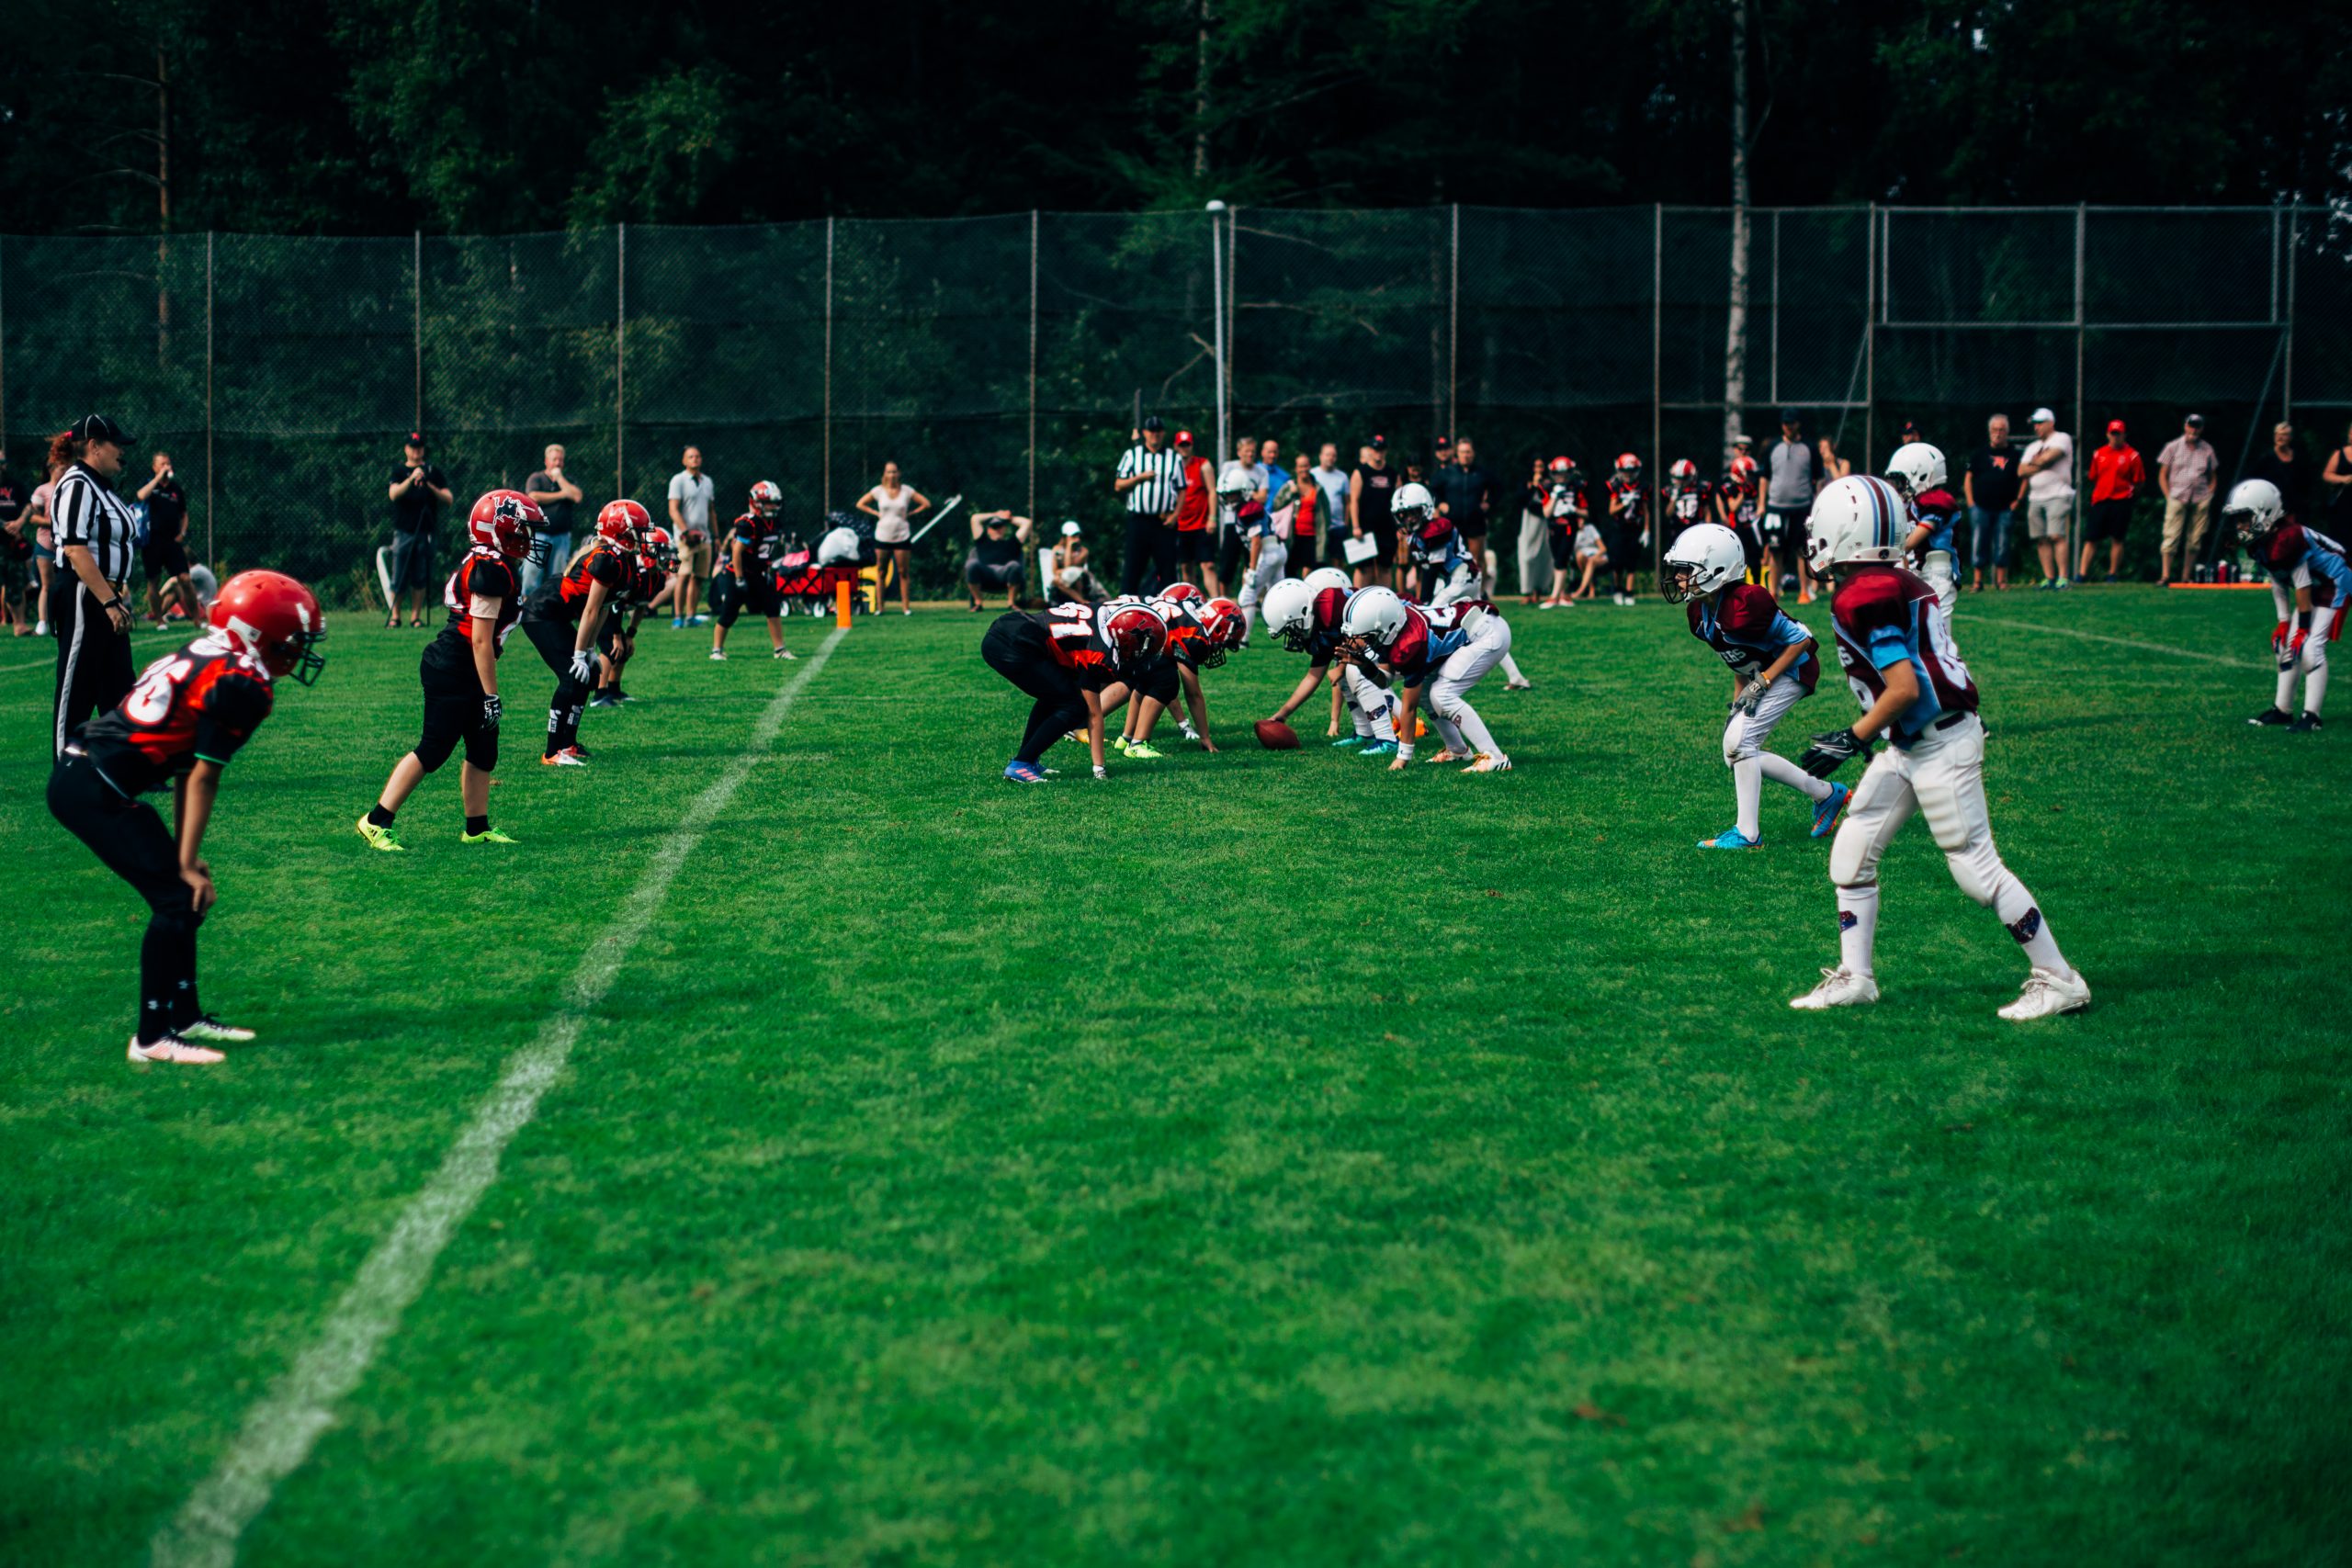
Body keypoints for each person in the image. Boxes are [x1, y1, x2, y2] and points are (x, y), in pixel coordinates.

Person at [1786, 475, 2090, 1021]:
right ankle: (1856, 978)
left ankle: (2059, 978)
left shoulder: (1867, 592)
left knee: (1976, 868)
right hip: (1911, 742)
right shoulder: (1888, 578)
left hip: (1937, 740)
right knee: (1851, 855)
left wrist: (1850, 738)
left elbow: (1902, 688)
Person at [51, 569, 325, 1063]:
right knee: (176, 898)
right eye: (294, 639)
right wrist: (184, 862)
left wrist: (187, 856)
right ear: (258, 636)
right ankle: (153, 1037)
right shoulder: (243, 683)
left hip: (91, 778)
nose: (299, 650)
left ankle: (185, 1014)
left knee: (187, 891)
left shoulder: (208, 656)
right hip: (92, 786)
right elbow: (203, 777)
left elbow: (183, 769)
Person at [355, 491, 544, 852]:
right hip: (455, 666)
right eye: (522, 530)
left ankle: (477, 828)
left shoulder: (494, 562)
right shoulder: (490, 569)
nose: (527, 538)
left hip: (464, 665)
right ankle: (376, 820)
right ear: (497, 531)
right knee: (434, 748)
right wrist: (491, 695)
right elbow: (480, 641)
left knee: (483, 749)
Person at [1661, 522, 1846, 850]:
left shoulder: (1746, 603)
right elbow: (1738, 659)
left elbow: (1802, 640)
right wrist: (1737, 703)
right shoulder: (1699, 613)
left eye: (1686, 570)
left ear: (1716, 569)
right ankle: (1827, 795)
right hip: (1764, 673)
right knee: (1735, 752)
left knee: (1740, 743)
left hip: (1794, 671)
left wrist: (1763, 682)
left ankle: (1748, 834)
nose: (1678, 579)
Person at [981, 598, 1166, 783]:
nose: (1145, 652)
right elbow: (1094, 714)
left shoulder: (1101, 615)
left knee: (1054, 698)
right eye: (1145, 645)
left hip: (1013, 628)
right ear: (1127, 635)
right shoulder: (1099, 652)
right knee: (1074, 706)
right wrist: (1099, 769)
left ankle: (1027, 759)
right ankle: (1021, 764)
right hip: (1015, 643)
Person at [521, 499, 644, 766]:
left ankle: (569, 743)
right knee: (570, 676)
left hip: (558, 616)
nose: (640, 537)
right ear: (619, 531)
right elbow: (589, 610)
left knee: (592, 674)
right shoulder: (606, 559)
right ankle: (552, 752)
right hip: (541, 614)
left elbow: (602, 611)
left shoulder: (624, 562)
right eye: (636, 531)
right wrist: (578, 655)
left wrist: (588, 652)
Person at [1340, 585, 1515, 772]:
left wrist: (1403, 756)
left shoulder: (1408, 642)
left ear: (1383, 627)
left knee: (1442, 695)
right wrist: (1365, 666)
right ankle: (1457, 750)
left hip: (1487, 633)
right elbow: (1385, 681)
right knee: (1426, 694)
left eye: (1361, 635)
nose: (1355, 640)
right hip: (1473, 630)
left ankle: (1495, 757)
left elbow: (1408, 708)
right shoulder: (1391, 631)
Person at [50, 415, 143, 761]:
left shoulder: (103, 488)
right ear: (94, 446)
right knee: (77, 684)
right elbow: (74, 548)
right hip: (83, 594)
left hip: (106, 595)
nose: (123, 451)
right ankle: (65, 763)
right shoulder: (77, 484)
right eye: (116, 444)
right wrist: (108, 601)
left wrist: (116, 598)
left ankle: (124, 766)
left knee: (119, 685)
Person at [2232, 479, 2346, 733]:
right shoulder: (2264, 541)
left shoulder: (2288, 538)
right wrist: (2284, 622)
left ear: (2265, 512)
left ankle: (2312, 716)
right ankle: (2282, 710)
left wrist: (2302, 627)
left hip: (2336, 581)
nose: (2240, 525)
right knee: (2285, 644)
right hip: (2316, 586)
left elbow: (2302, 583)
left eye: (2244, 517)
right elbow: (2278, 582)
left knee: (2310, 649)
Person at [1260, 572, 1399, 759]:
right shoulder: (1320, 624)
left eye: (1291, 629)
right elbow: (1313, 676)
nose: (1292, 636)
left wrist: (1341, 668)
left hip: (1395, 638)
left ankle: (1387, 739)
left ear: (1302, 612)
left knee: (1353, 669)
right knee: (1346, 671)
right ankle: (1365, 733)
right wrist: (1283, 714)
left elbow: (1358, 643)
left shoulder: (1329, 607)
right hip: (1378, 644)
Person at [711, 480, 793, 660]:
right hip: (738, 573)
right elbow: (737, 551)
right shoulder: (749, 523)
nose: (774, 506)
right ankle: (716, 650)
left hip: (759, 574)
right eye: (770, 502)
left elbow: (766, 553)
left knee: (773, 607)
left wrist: (768, 572)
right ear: (757, 503)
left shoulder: (775, 522)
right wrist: (739, 578)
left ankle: (780, 649)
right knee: (730, 612)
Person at [386, 433, 452, 628]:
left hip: (426, 531)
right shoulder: (398, 471)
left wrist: (429, 485)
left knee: (420, 575)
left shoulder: (432, 471)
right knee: (399, 575)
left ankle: (416, 616)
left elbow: (448, 499)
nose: (417, 451)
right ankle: (395, 616)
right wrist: (411, 479)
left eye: (420, 447)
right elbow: (393, 494)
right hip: (404, 531)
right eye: (413, 447)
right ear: (406, 449)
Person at [1760, 410, 1826, 604]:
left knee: (1802, 550)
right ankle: (1774, 591)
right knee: (1775, 550)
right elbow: (1765, 477)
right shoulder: (1773, 447)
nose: (1788, 426)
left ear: (1798, 424)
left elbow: (1819, 479)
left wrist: (1817, 504)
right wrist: (1761, 504)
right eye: (1785, 423)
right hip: (1776, 507)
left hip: (1802, 506)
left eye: (1792, 423)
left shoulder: (1809, 447)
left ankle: (1804, 592)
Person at [1885, 441, 1962, 609]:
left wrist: (1887, 553)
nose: (1898, 488)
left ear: (1922, 475)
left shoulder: (1936, 500)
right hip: (1919, 570)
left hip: (1937, 570)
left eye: (1901, 481)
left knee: (1938, 628)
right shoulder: (1911, 505)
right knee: (1919, 627)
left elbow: (1909, 543)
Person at [1114, 416, 1182, 595]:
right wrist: (1140, 477)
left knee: (1168, 569)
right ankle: (1125, 607)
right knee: (1133, 567)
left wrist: (1175, 515)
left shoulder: (1173, 458)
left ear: (1163, 433)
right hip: (1139, 520)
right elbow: (1119, 484)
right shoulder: (1132, 455)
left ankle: (1172, 610)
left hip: (1163, 521)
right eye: (1152, 431)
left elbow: (1182, 489)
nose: (1155, 435)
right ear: (1145, 433)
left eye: (1159, 431)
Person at [854, 460, 932, 615]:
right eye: (889, 472)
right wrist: (876, 513)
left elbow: (926, 503)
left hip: (902, 536)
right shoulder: (878, 491)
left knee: (903, 572)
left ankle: (906, 607)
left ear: (899, 474)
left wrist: (911, 514)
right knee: (881, 571)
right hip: (883, 536)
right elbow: (860, 504)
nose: (892, 475)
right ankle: (880, 607)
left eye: (894, 471)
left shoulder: (907, 491)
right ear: (884, 474)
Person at [2155, 412, 2221, 584]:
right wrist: (2168, 495)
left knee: (2195, 539)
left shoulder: (2207, 449)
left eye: (2197, 426)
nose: (2194, 429)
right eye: (2191, 425)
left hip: (2200, 497)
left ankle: (2186, 576)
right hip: (2177, 495)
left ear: (2201, 429)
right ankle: (2166, 575)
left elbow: (2213, 476)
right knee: (2171, 535)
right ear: (2185, 426)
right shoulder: (2173, 447)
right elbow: (2163, 473)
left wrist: (2210, 495)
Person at [136, 451, 198, 629]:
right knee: (154, 580)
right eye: (162, 464)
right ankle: (159, 620)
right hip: (152, 541)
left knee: (185, 579)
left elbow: (184, 514)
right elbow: (140, 496)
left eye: (168, 464)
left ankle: (196, 620)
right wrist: (157, 479)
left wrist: (182, 533)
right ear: (155, 467)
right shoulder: (149, 485)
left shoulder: (176, 489)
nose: (166, 467)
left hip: (172, 541)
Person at [2078, 421, 2146, 583]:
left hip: (2121, 501)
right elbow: (2093, 477)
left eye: (2118, 434)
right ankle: (2081, 574)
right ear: (2108, 435)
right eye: (2113, 434)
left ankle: (2112, 573)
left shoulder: (2132, 455)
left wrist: (2130, 495)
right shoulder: (2099, 454)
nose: (2115, 437)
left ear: (2124, 435)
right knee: (2091, 538)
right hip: (2101, 500)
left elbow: (2139, 481)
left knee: (2117, 538)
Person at [1962, 414, 2020, 592]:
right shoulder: (1979, 454)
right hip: (1980, 507)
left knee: (2003, 543)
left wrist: (2018, 500)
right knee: (1979, 542)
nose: (1998, 433)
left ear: (2007, 432)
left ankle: (2001, 581)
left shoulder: (2015, 455)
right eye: (1995, 430)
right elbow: (1968, 478)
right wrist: (1971, 503)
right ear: (1989, 432)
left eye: (2001, 430)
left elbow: (2023, 478)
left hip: (2005, 507)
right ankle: (1978, 581)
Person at [2018, 407, 2075, 589]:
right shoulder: (2032, 447)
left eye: (2040, 423)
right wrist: (2042, 462)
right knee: (2041, 538)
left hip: (2057, 493)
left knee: (2056, 535)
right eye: (2035, 424)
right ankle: (2049, 577)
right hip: (2036, 497)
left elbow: (2048, 459)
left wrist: (2037, 462)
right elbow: (2021, 471)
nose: (2037, 427)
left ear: (2051, 423)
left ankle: (2063, 577)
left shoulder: (2062, 438)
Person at [519, 444, 582, 600]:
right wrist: (562, 495)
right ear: (546, 461)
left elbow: (577, 496)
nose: (558, 463)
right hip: (538, 536)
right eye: (554, 459)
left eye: (561, 460)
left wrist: (560, 479)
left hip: (561, 536)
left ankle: (552, 606)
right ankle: (527, 605)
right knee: (531, 572)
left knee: (558, 576)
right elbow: (533, 496)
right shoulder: (537, 478)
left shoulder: (568, 480)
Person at [666, 446, 716, 627]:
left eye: (697, 456)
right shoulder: (678, 480)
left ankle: (691, 615)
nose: (695, 459)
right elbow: (673, 509)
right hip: (684, 538)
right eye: (691, 456)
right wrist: (686, 531)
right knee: (683, 576)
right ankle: (678, 616)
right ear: (684, 460)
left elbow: (711, 511)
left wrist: (716, 536)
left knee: (699, 578)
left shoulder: (707, 481)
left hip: (704, 537)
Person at [1434, 436, 1498, 572]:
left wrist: (1489, 503)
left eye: (1468, 452)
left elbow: (1498, 488)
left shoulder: (1481, 473)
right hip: (1453, 524)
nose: (1466, 455)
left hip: (1475, 522)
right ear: (1457, 453)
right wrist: (1440, 504)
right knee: (1452, 559)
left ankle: (1479, 592)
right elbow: (1432, 490)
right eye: (1462, 452)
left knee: (1476, 560)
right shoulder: (1447, 473)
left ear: (1473, 453)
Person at [1348, 434, 1401, 589]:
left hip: (1387, 528)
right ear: (1370, 450)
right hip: (1365, 528)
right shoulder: (1360, 472)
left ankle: (1385, 601)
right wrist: (1356, 526)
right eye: (1376, 449)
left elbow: (1399, 503)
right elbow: (1354, 501)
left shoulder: (1392, 473)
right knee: (1364, 568)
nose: (1379, 452)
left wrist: (1400, 526)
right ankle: (1357, 599)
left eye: (1382, 449)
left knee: (1385, 567)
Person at [1538, 456, 1586, 608]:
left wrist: (1573, 509)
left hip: (1569, 527)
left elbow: (1586, 512)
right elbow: (1546, 513)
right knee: (1557, 560)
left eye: (1565, 473)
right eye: (1559, 473)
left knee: (1562, 559)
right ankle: (1563, 595)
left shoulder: (1577, 487)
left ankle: (1554, 596)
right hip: (1553, 527)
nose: (1562, 476)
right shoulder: (1548, 488)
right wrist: (1554, 497)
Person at [2247, 423, 2312, 530]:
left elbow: (2304, 482)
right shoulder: (2266, 458)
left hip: (2291, 508)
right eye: (2277, 434)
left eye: (2284, 434)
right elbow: (2252, 480)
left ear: (2290, 438)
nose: (2280, 437)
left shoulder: (2298, 458)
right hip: (2269, 507)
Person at [965, 510, 1033, 610]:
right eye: (994, 527)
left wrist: (1008, 518)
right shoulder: (981, 540)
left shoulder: (1013, 542)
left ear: (1004, 528)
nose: (997, 530)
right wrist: (996, 514)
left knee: (1014, 565)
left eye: (1000, 527)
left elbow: (1027, 523)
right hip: (985, 573)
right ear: (988, 530)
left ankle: (1011, 603)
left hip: (1005, 573)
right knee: (971, 564)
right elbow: (975, 518)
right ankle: (978, 603)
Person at [1604, 453, 1648, 605]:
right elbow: (1612, 510)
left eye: (1631, 470)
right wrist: (1624, 503)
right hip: (1619, 528)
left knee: (1632, 561)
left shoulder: (1641, 487)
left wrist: (1647, 530)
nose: (1628, 474)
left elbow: (1645, 509)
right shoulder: (1616, 486)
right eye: (1626, 471)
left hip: (1634, 528)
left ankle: (1629, 592)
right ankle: (1617, 589)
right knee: (1617, 561)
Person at [1716, 437, 1763, 576]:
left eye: (1747, 450)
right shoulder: (1729, 472)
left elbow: (1761, 490)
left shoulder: (1754, 469)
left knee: (1755, 557)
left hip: (1752, 522)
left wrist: (1760, 504)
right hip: (1736, 522)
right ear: (1735, 449)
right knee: (1736, 557)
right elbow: (1720, 495)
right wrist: (1723, 515)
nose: (1743, 452)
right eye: (1740, 449)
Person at [1310, 443, 1351, 581]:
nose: (1330, 458)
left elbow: (1348, 502)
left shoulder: (1342, 477)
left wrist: (1346, 524)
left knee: (1338, 562)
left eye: (1333, 455)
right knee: (1317, 561)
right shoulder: (1313, 474)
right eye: (1328, 454)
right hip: (1318, 527)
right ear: (1321, 456)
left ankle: (1339, 588)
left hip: (1338, 526)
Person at [0, 449, 28, 636]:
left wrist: (19, 523)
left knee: (16, 584)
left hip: (11, 545)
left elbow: (28, 506)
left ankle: (19, 625)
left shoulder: (15, 485)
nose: (3, 466)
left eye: (3, 462)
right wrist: (3, 525)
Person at [1049, 521, 1104, 604]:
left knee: (1076, 578)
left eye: (1078, 535)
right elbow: (1055, 571)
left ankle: (1081, 602)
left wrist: (1069, 547)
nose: (1077, 539)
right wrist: (1069, 547)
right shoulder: (1057, 550)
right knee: (1058, 581)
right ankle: (1082, 602)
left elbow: (1069, 569)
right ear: (1065, 537)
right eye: (1073, 536)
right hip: (1064, 581)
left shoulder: (1084, 551)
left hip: (1081, 581)